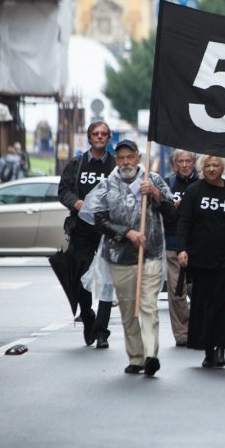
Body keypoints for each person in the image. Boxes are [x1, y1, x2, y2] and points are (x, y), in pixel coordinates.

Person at [91, 139, 174, 376]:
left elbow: (171, 212)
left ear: (138, 157)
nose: (125, 162)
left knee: (149, 305)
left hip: (151, 252)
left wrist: (156, 194)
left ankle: (150, 355)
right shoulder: (107, 184)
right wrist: (127, 233)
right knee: (128, 310)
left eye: (130, 156)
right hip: (120, 256)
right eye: (121, 158)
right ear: (116, 160)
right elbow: (99, 220)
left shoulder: (153, 179)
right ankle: (136, 357)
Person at [177, 155, 225, 368]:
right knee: (203, 303)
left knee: (222, 304)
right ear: (202, 168)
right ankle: (207, 350)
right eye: (208, 166)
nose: (212, 169)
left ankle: (221, 348)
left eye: (216, 165)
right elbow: (184, 222)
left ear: (222, 168)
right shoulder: (194, 191)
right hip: (200, 259)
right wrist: (181, 249)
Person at [58, 121, 116, 348]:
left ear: (109, 138)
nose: (99, 137)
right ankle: (87, 315)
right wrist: (75, 202)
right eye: (95, 133)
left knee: (106, 281)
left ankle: (102, 332)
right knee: (80, 278)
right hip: (81, 230)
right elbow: (63, 191)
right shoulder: (77, 163)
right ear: (89, 138)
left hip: (107, 231)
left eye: (103, 134)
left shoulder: (115, 166)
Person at [164, 149, 199, 347]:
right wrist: (171, 208)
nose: (185, 165)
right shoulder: (167, 184)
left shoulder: (202, 184)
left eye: (188, 161)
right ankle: (182, 334)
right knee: (177, 292)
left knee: (200, 290)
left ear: (194, 163)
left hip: (199, 245)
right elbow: (159, 211)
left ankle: (199, 327)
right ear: (174, 164)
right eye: (181, 161)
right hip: (173, 244)